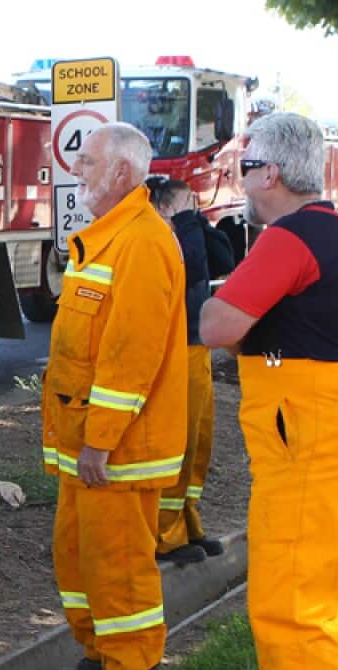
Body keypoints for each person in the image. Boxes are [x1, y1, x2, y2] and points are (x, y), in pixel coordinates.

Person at [200, 112, 338, 670]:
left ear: (268, 172)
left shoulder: (289, 238)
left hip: (304, 448)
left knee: (290, 615)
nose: (241, 186)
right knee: (311, 607)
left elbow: (217, 325)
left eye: (244, 170)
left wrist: (213, 300)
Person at [43, 123, 187, 670]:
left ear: (122, 172)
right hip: (89, 445)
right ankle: (103, 654)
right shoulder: (109, 237)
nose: (77, 171)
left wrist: (100, 441)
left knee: (120, 566)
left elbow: (131, 358)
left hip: (119, 450)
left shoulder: (142, 242)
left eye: (88, 161)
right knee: (78, 555)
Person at [145, 177, 235, 566]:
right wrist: (181, 220)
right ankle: (165, 535)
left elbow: (224, 260)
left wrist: (195, 218)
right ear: (164, 206)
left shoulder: (189, 228)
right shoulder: (158, 235)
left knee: (198, 445)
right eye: (185, 203)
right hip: (173, 350)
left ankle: (188, 523)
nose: (191, 208)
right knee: (177, 444)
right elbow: (194, 270)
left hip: (196, 347)